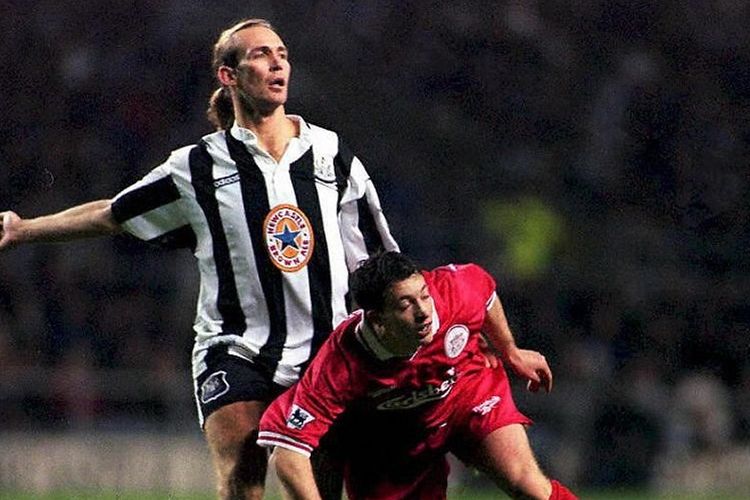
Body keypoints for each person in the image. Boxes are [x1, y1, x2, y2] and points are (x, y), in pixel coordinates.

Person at [0, 18, 399, 500]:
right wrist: (23, 230)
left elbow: (381, 259)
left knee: (323, 487)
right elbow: (113, 213)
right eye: (260, 54)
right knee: (241, 477)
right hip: (236, 348)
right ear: (228, 76)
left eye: (283, 53)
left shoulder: (331, 153)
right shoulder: (196, 166)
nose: (277, 63)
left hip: (325, 351)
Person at [258, 251, 577, 500]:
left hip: (468, 391)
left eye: (423, 295)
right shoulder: (340, 364)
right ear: (377, 319)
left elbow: (485, 292)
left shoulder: (450, 293)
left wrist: (510, 351)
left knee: (528, 484)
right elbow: (288, 454)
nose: (424, 310)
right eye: (406, 304)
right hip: (396, 438)